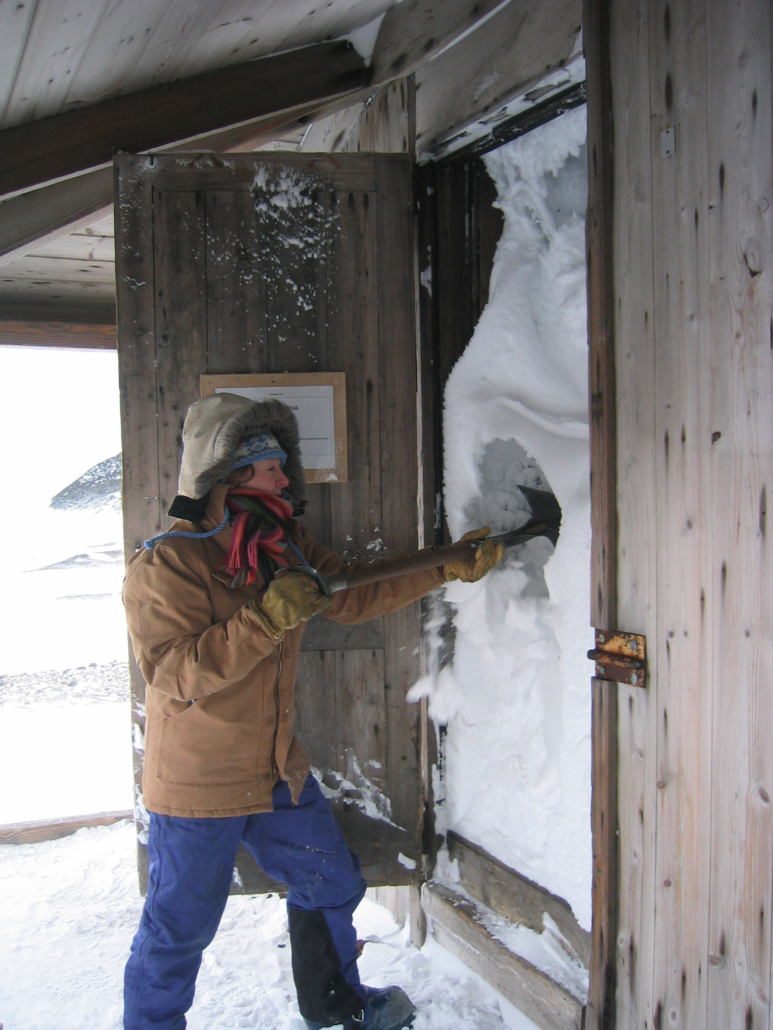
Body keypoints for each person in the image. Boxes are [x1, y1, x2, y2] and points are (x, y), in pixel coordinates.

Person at [122, 392, 504, 1030]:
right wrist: (265, 617)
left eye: (280, 463)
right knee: (179, 930)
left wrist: (448, 565)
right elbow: (174, 674)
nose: (284, 475)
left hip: (274, 770)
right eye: (268, 463)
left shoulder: (284, 546)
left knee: (331, 881)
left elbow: (355, 594)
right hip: (197, 786)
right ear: (228, 474)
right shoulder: (168, 563)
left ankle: (337, 1007)